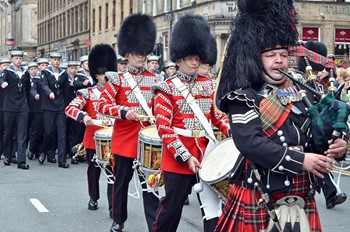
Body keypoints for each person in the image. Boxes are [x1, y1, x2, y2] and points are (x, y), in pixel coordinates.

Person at [214, 1, 348, 231]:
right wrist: (301, 161)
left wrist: (339, 144)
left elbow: (318, 135)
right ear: (256, 59)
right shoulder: (242, 98)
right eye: (271, 55)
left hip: (301, 197)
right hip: (259, 197)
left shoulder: (301, 92)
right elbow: (250, 143)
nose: (279, 60)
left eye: (284, 55)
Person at [151, 15, 229, 232]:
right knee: (172, 207)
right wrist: (185, 156)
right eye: (191, 58)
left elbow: (218, 117)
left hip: (206, 151)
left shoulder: (209, 85)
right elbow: (164, 128)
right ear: (179, 60)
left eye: (198, 58)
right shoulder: (165, 88)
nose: (196, 62)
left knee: (213, 207)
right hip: (179, 156)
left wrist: (232, 131)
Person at [96, 14, 159, 232]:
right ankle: (118, 219)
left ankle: (154, 225)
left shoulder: (156, 79)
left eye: (144, 53)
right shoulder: (117, 79)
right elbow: (102, 105)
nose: (141, 57)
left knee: (151, 186)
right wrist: (124, 112)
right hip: (124, 140)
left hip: (148, 139)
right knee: (121, 184)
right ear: (127, 54)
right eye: (137, 53)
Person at [65, 44, 117, 217]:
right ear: (97, 75)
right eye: (105, 75)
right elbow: (70, 109)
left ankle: (113, 206)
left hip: (114, 138)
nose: (108, 78)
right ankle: (93, 197)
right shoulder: (88, 93)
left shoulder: (118, 93)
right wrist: (84, 117)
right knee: (94, 171)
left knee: (113, 174)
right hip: (93, 139)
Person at [298, 41, 347, 209]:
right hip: (299, 140)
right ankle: (330, 194)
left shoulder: (317, 85)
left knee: (320, 166)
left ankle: (329, 194)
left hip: (315, 135)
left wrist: (341, 139)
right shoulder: (295, 83)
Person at [0, 50, 30, 169]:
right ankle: (8, 155)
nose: (18, 60)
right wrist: (2, 83)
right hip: (9, 106)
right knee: (8, 132)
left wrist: (27, 104)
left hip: (22, 106)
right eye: (16, 58)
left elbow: (27, 90)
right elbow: (1, 78)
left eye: (20, 58)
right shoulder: (7, 72)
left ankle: (21, 160)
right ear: (12, 59)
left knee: (21, 133)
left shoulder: (25, 73)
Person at [39, 52, 70, 168]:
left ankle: (61, 161)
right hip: (49, 106)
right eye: (54, 59)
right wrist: (49, 93)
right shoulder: (45, 72)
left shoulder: (63, 74)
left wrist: (67, 108)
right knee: (48, 132)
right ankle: (44, 151)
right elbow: (44, 85)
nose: (56, 62)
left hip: (60, 106)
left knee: (62, 133)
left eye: (58, 60)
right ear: (50, 60)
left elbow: (66, 91)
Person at [0, 57, 11, 160]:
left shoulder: (12, 77)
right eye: (4, 65)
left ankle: (6, 151)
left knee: (7, 130)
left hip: (8, 107)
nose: (6, 67)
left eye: (8, 65)